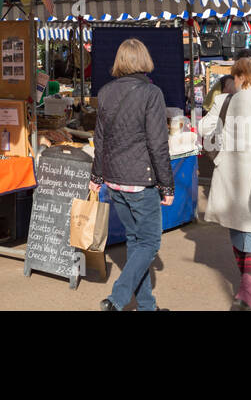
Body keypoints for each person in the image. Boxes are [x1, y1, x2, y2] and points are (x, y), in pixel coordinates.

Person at [89, 38, 174, 311]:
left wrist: (97, 176)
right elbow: (158, 144)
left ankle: (147, 306)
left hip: (114, 181)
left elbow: (99, 139)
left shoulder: (105, 92)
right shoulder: (152, 94)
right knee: (149, 242)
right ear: (144, 60)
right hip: (141, 182)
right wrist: (167, 186)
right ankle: (117, 299)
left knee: (137, 243)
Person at [200, 57, 251, 310]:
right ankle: (249, 286)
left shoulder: (225, 100)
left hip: (231, 174)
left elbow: (204, 129)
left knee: (237, 231)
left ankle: (247, 289)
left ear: (241, 77)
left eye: (235, 77)